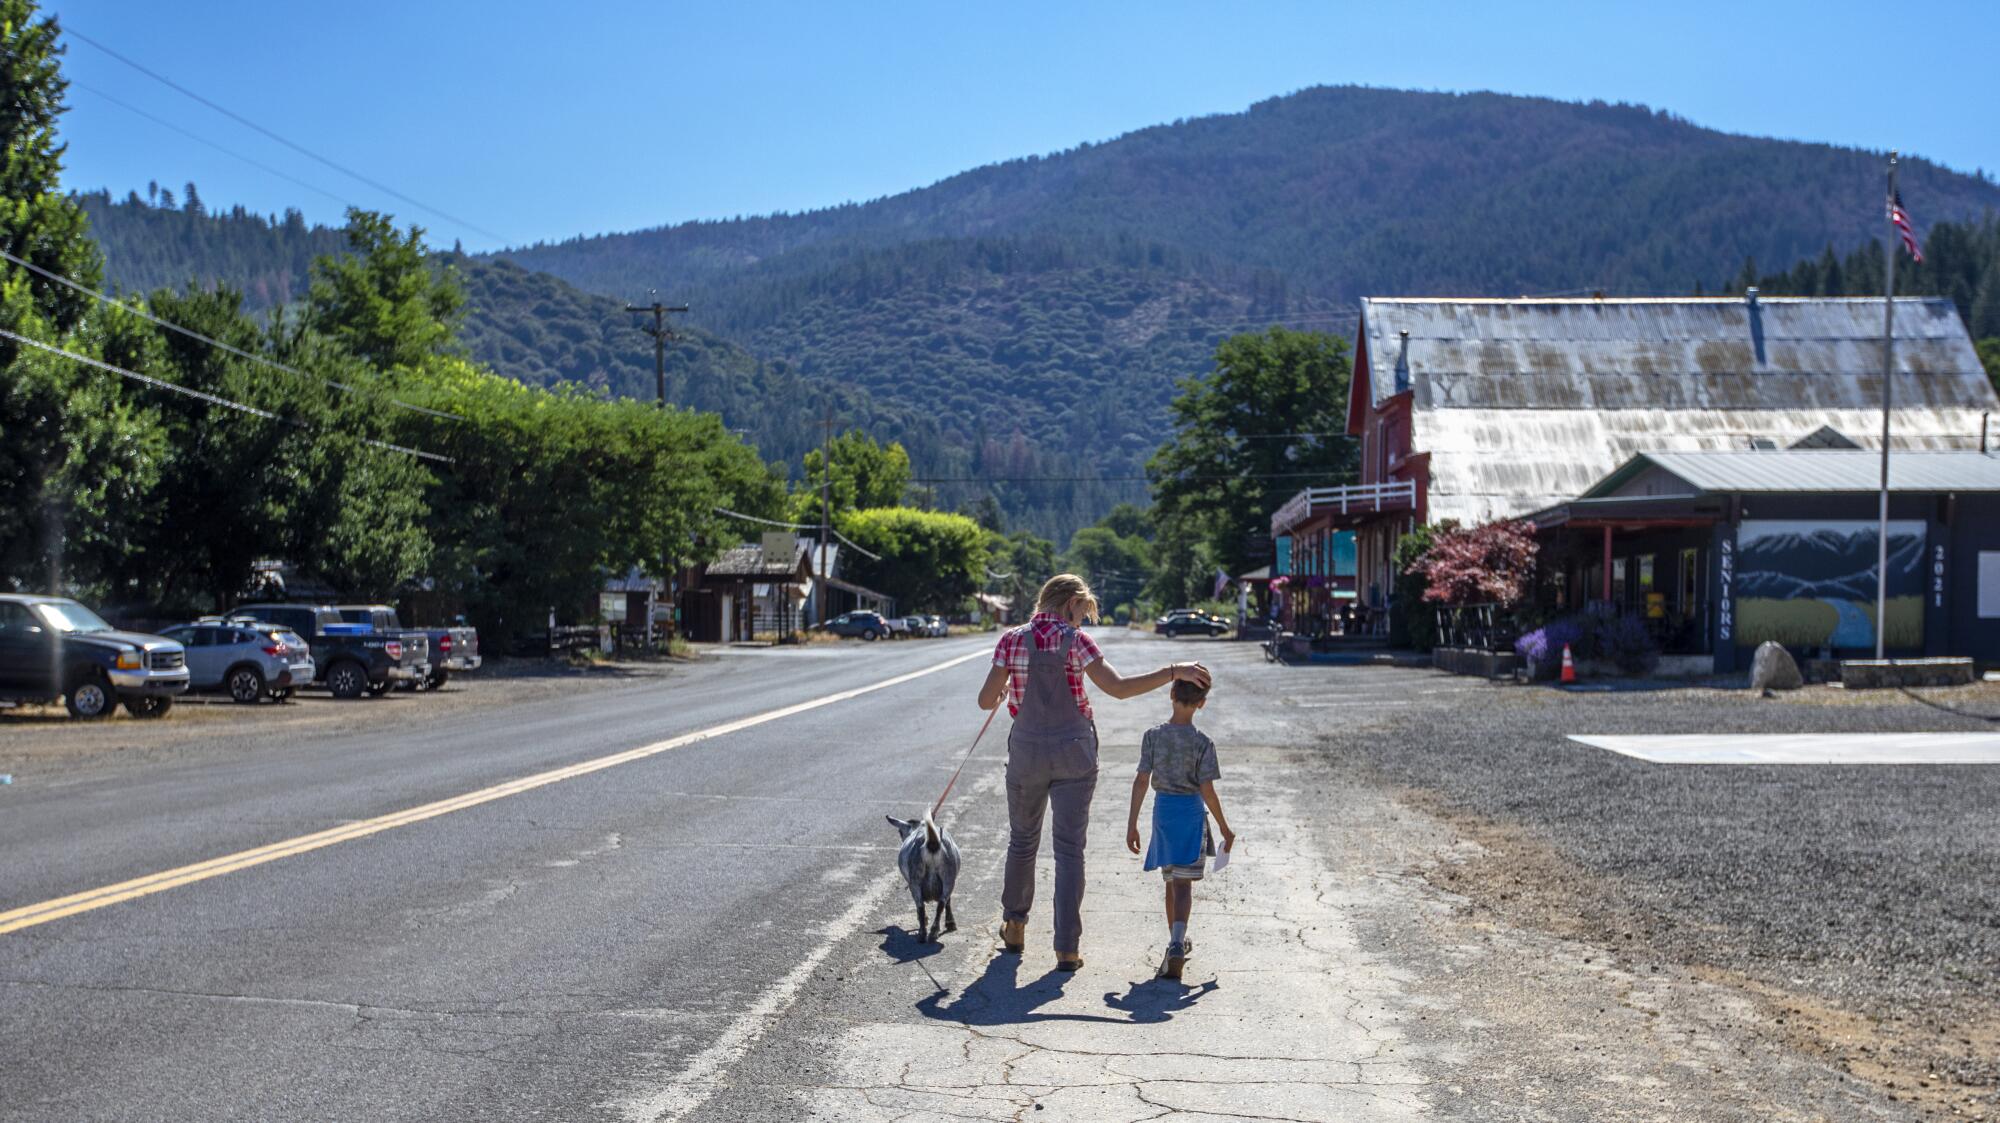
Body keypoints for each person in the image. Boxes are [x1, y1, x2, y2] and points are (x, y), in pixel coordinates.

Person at [976, 574, 1210, 971]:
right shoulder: (1077, 641)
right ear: (1070, 603)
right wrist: (1174, 671)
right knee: (1069, 851)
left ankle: (1014, 925)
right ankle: (1067, 949)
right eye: (1082, 612)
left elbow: (985, 701)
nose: (1082, 621)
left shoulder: (1011, 639)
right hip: (1074, 752)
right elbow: (1118, 688)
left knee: (1022, 841)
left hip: (1027, 752)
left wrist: (1002, 694)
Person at [1125, 674, 1233, 980]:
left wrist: (1132, 824)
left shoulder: (1153, 737)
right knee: (1184, 884)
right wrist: (1224, 827)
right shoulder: (1203, 743)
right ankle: (1176, 942)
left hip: (1164, 814)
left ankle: (1175, 941)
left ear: (1171, 693)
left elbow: (1142, 780)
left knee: (1171, 882)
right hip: (1190, 813)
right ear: (1202, 703)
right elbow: (1207, 790)